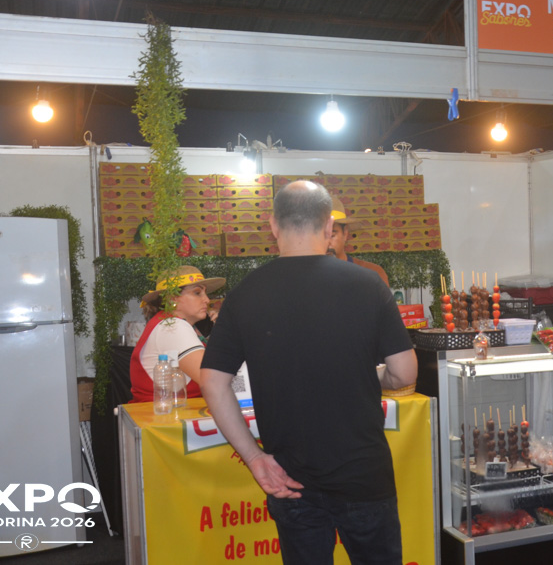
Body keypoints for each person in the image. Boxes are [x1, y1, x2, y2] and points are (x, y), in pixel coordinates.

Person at [201, 180, 417, 565]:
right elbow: (404, 373)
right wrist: (374, 378)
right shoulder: (368, 284)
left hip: (290, 479)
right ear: (329, 227)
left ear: (273, 226)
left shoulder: (245, 293)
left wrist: (254, 458)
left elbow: (212, 383)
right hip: (363, 474)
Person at [129, 265, 226, 403]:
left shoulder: (169, 323)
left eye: (205, 293)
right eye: (197, 293)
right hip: (166, 415)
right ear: (172, 298)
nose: (207, 300)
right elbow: (214, 379)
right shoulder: (173, 327)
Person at [327, 195, 390, 286]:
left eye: (332, 236)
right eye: (320, 236)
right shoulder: (309, 277)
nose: (326, 242)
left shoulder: (372, 275)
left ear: (345, 233)